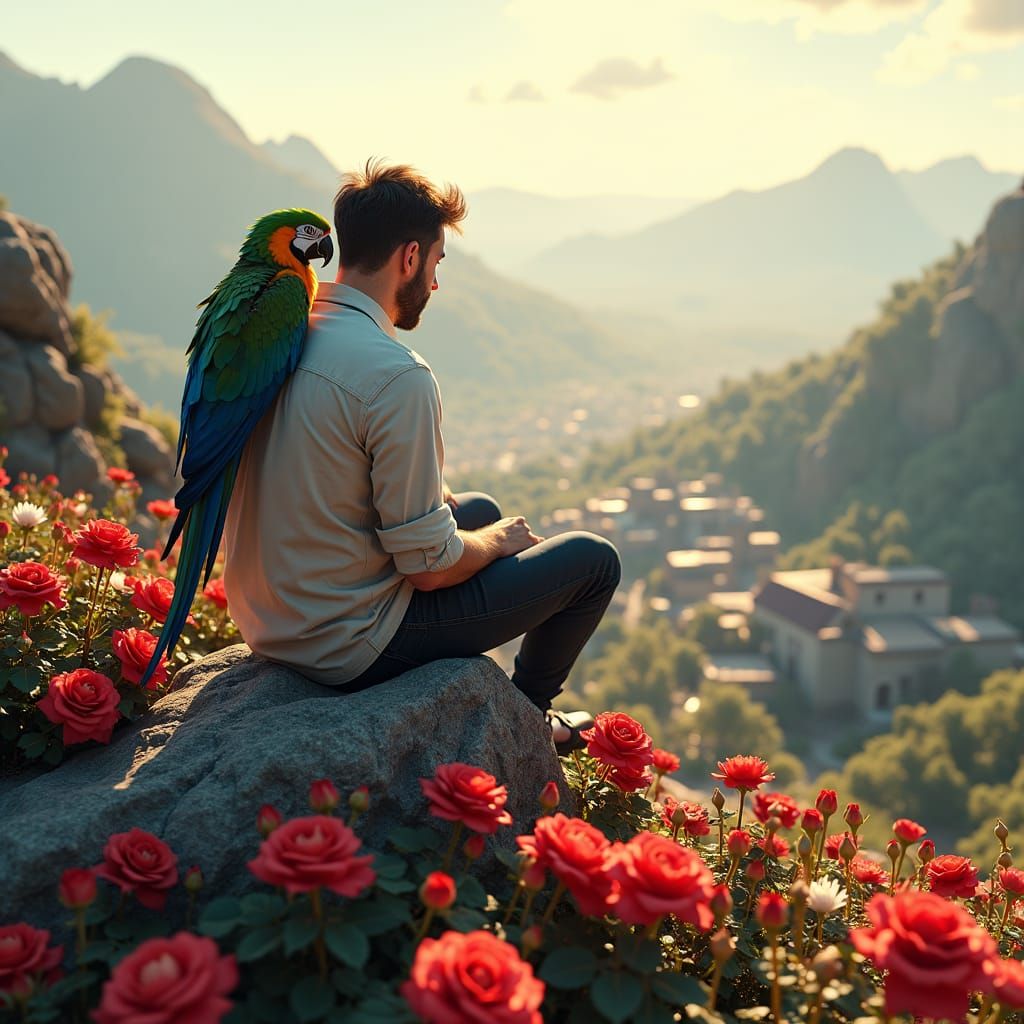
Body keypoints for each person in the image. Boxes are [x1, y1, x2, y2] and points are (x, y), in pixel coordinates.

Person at [222, 160, 621, 752]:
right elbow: (429, 569)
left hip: (268, 615)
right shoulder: (396, 374)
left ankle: (510, 702)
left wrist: (471, 524)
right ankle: (528, 723)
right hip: (344, 646)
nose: (434, 283)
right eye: (437, 263)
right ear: (409, 258)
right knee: (593, 560)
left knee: (476, 508)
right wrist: (498, 542)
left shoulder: (284, 331)